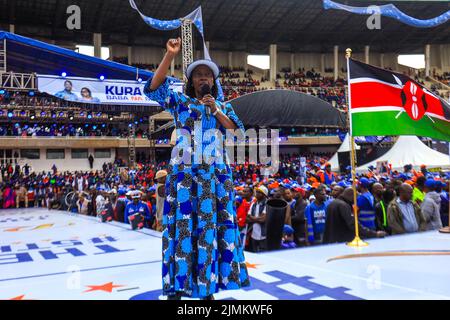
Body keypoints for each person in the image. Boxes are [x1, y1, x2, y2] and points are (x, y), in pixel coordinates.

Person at [144, 38, 250, 300]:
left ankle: (206, 288)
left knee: (210, 230)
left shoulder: (223, 107)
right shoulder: (180, 102)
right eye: (198, 75)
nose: (204, 79)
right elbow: (153, 88)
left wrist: (215, 110)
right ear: (192, 82)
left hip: (215, 179)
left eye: (208, 76)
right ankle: (178, 288)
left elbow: (237, 133)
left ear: (214, 82)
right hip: (184, 179)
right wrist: (169, 56)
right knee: (182, 228)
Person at [247, 186, 268, 253]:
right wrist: (258, 218)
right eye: (257, 192)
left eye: (259, 192)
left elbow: (263, 219)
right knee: (254, 252)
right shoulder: (253, 204)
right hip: (253, 234)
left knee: (263, 253)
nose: (257, 193)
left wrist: (252, 218)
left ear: (264, 195)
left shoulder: (267, 204)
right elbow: (248, 218)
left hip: (263, 234)